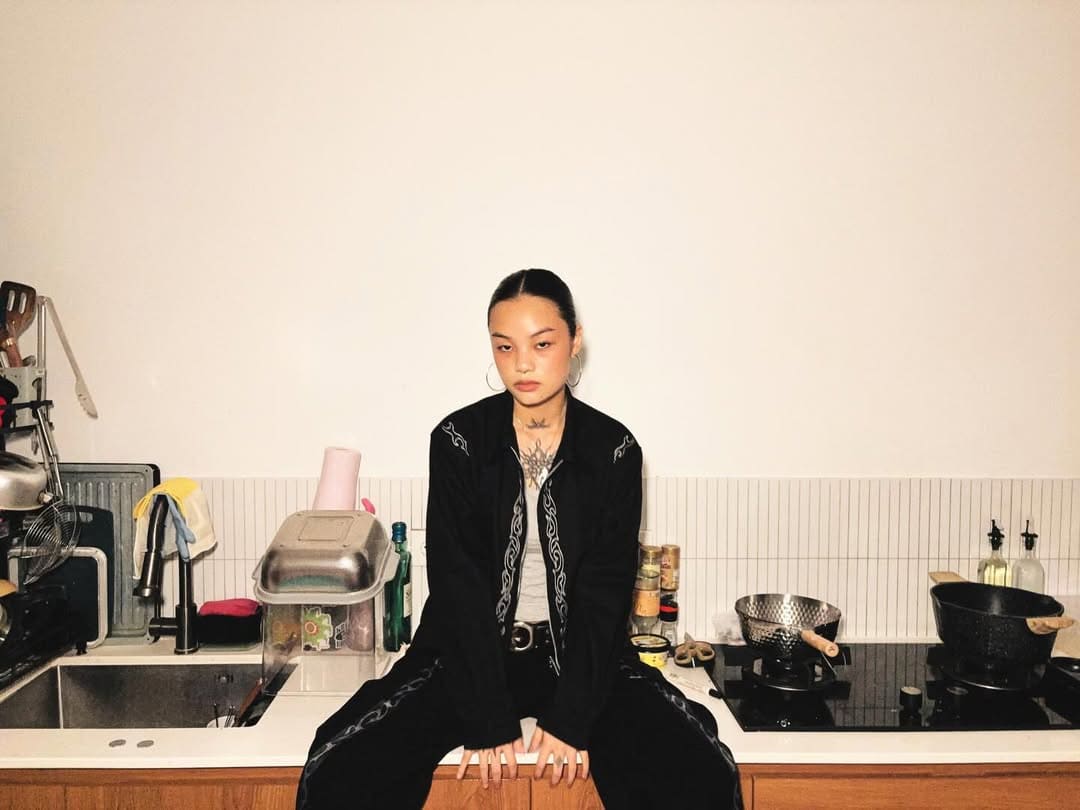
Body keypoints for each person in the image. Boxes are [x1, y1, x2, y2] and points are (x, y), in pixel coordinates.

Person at [296, 269, 743, 809]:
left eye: (542, 344)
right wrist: (488, 717)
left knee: (700, 770)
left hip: (583, 660)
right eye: (504, 346)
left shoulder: (614, 449)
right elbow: (457, 582)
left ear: (575, 341)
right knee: (337, 767)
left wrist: (572, 718)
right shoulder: (459, 441)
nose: (522, 364)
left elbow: (605, 589)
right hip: (468, 658)